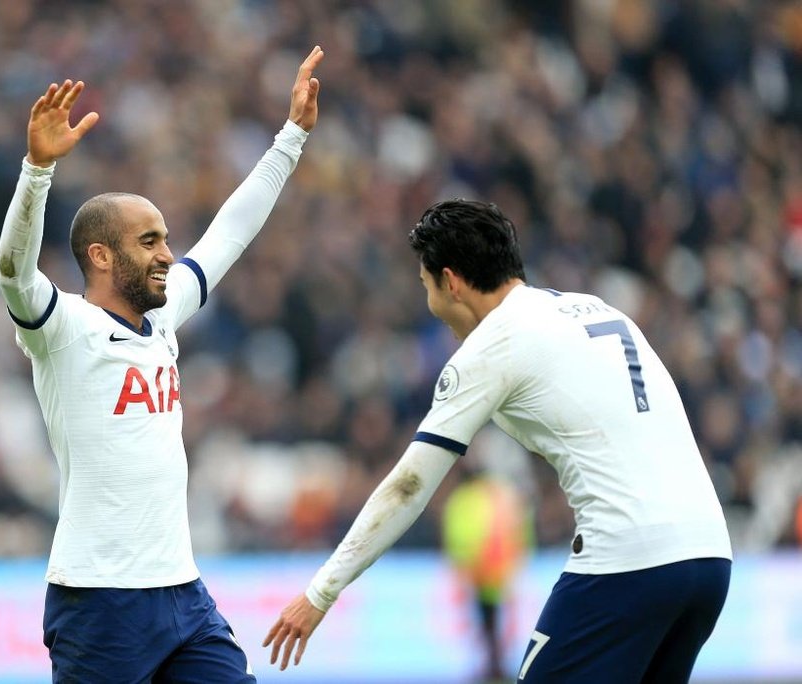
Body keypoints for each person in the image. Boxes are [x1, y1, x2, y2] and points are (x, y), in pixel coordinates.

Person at [264, 199, 732, 682]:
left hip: (628, 561)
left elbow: (408, 486)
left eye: (426, 286)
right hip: (709, 557)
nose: (432, 306)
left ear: (451, 281)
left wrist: (321, 592)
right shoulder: (594, 308)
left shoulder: (495, 344)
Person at [0, 46, 322, 682]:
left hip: (182, 591)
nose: (169, 254)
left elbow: (230, 233)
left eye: (166, 238)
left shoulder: (163, 317)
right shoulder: (61, 327)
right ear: (101, 256)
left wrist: (292, 137)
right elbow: (13, 271)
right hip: (99, 600)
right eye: (149, 242)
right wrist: (36, 171)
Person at [441, 466, 531, 682]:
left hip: (481, 572)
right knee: (495, 619)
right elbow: (520, 529)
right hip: (498, 571)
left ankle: (494, 664)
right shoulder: (503, 494)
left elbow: (458, 533)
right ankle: (496, 663)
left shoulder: (465, 499)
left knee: (488, 619)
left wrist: (461, 563)